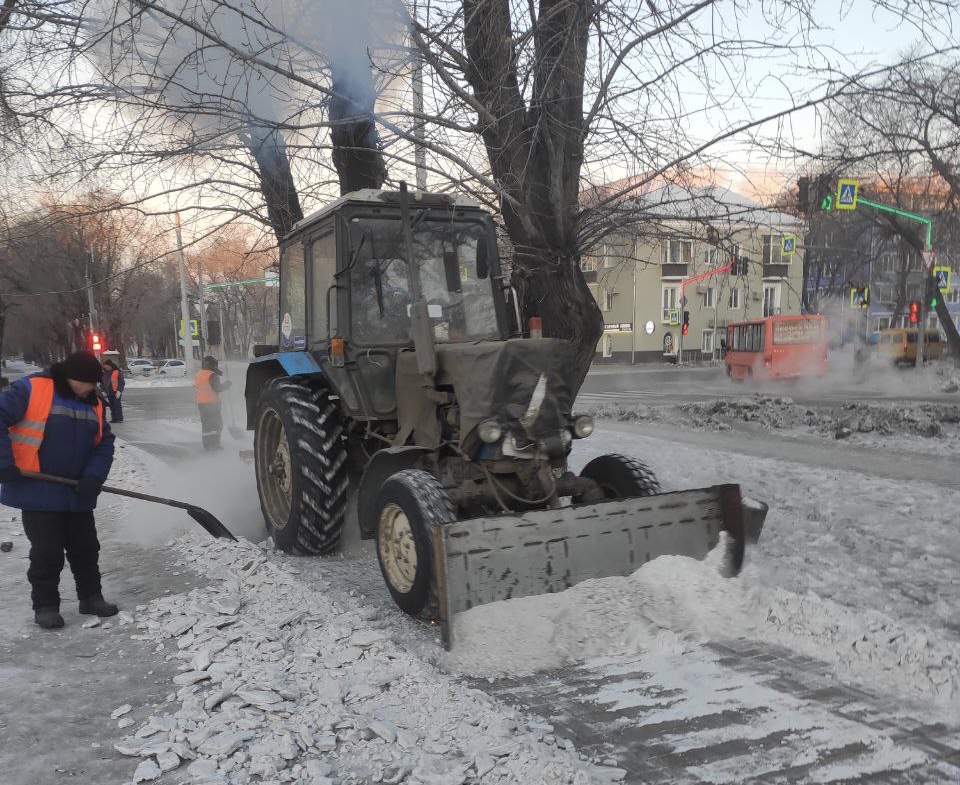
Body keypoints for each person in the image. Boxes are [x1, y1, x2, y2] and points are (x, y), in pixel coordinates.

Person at [0, 351, 118, 629]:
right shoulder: (32, 389)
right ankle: (45, 606)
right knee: (47, 552)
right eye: (88, 383)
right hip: (38, 489)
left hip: (77, 491)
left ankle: (91, 597)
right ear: (70, 378)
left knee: (86, 549)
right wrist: (4, 462)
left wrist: (94, 476)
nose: (92, 388)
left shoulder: (94, 403)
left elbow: (105, 443)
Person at [195, 356, 231, 450]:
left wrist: (219, 373)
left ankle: (207, 444)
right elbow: (217, 388)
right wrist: (227, 385)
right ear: (210, 365)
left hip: (202, 404)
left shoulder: (199, 374)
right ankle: (214, 444)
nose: (216, 367)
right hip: (212, 405)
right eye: (215, 365)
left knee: (206, 425)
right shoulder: (212, 375)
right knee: (217, 424)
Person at [101, 359, 125, 423]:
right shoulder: (104, 373)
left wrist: (119, 391)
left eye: (106, 366)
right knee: (112, 406)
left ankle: (119, 419)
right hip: (108, 392)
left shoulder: (117, 372)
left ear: (110, 366)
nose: (105, 368)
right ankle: (114, 418)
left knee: (117, 405)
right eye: (104, 367)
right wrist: (103, 391)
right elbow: (102, 383)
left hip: (116, 392)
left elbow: (121, 382)